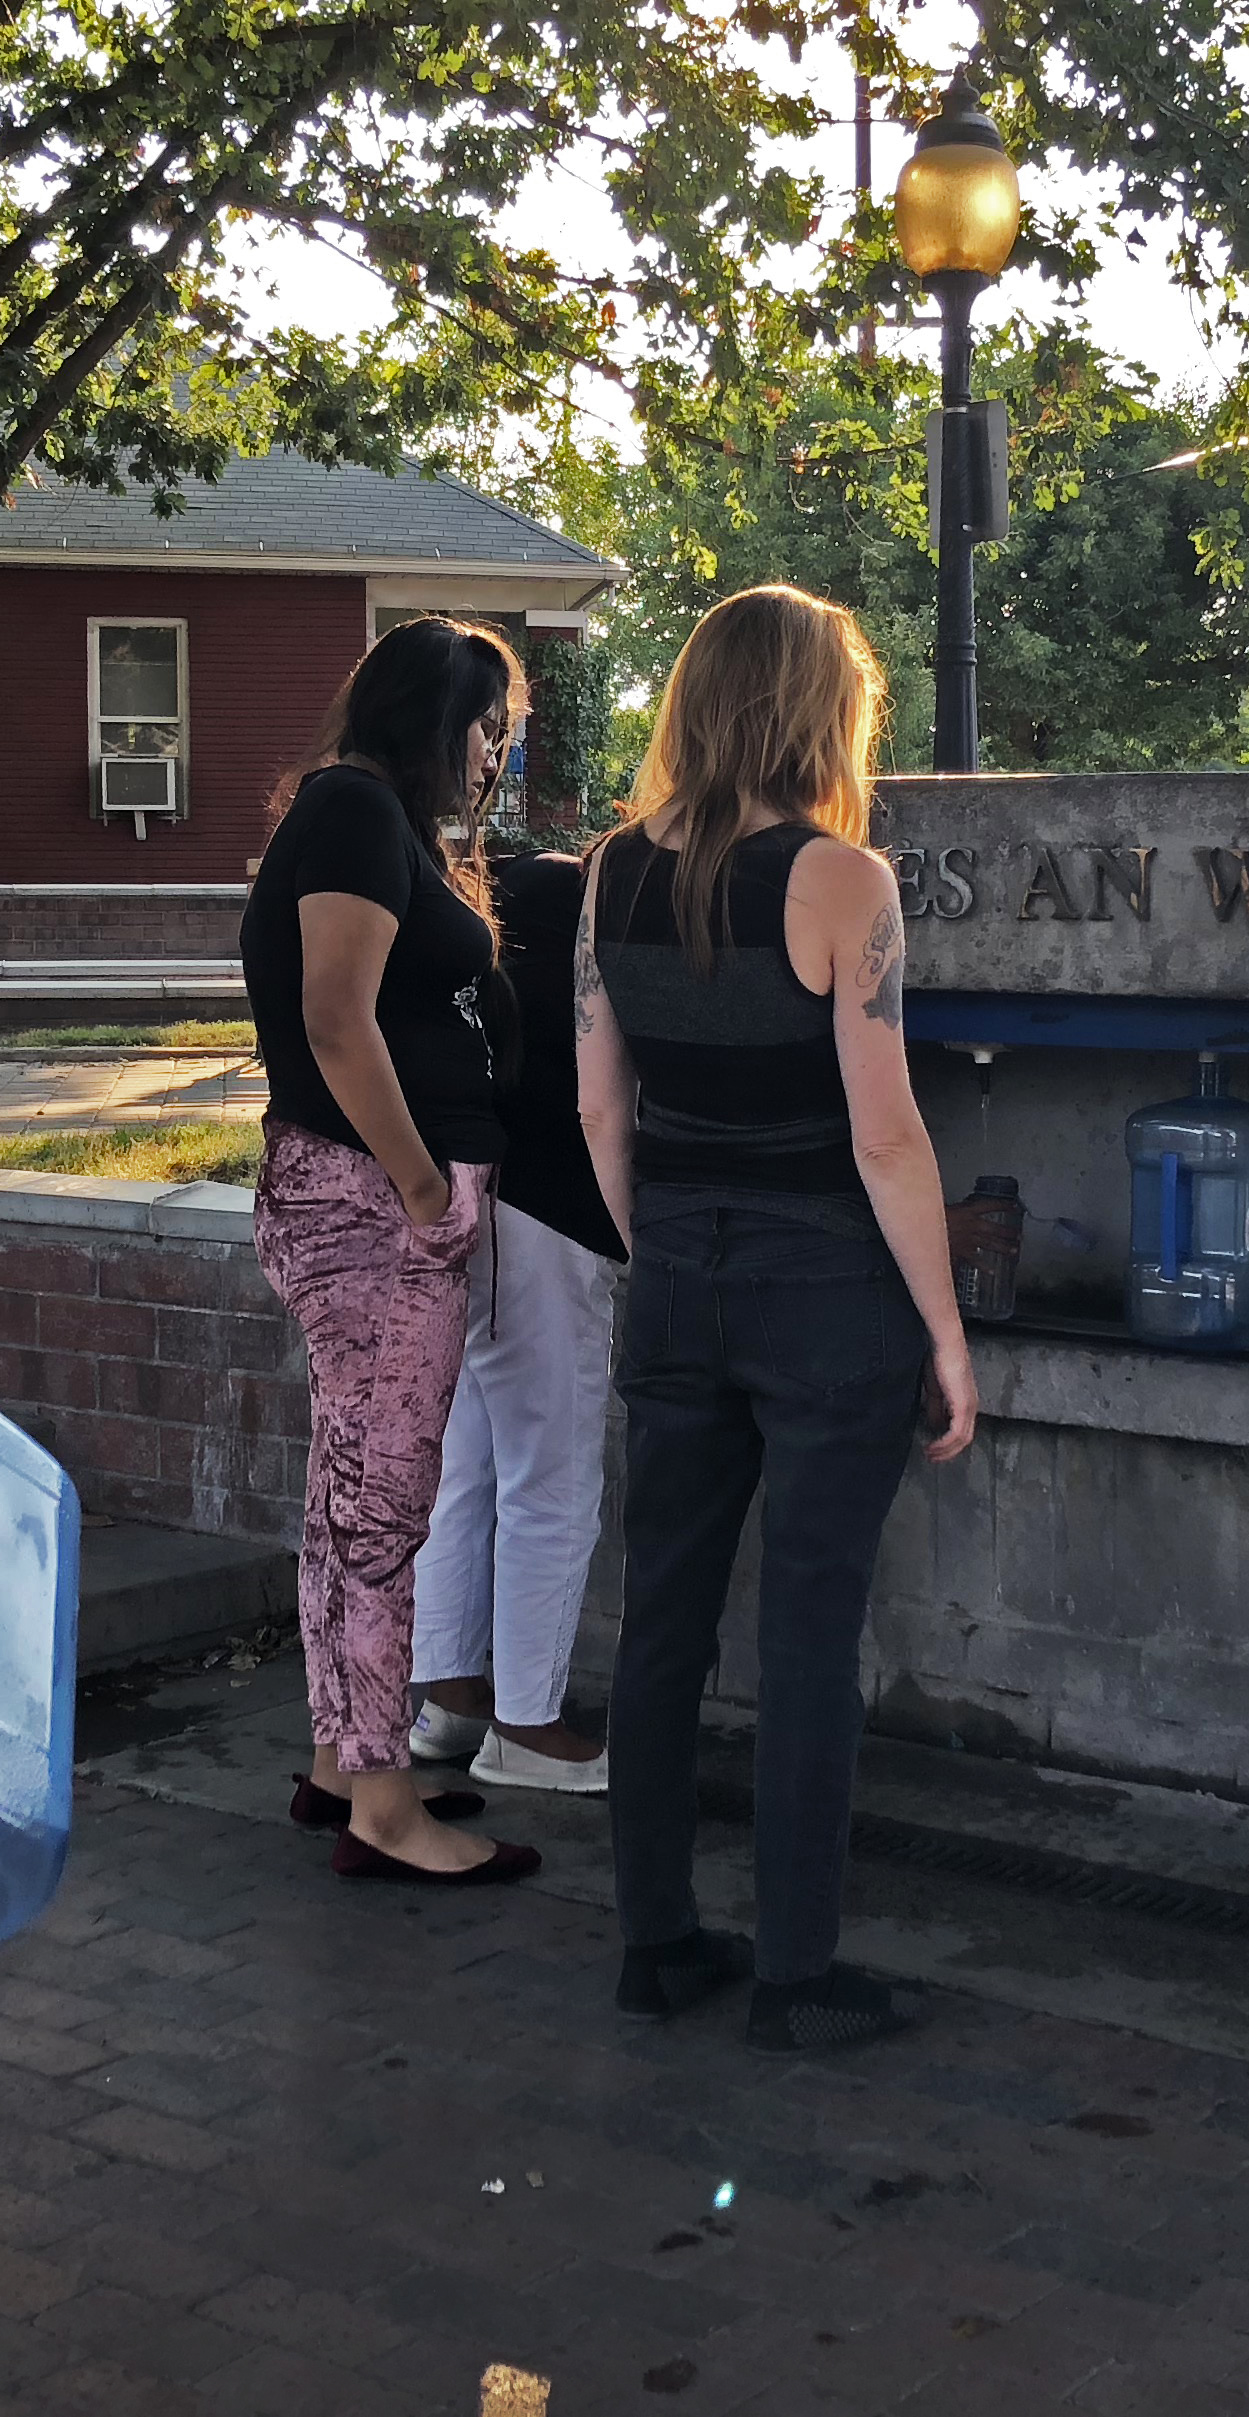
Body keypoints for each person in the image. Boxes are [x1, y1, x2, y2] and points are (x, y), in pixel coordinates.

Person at [576, 585, 978, 2051]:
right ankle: (797, 1976)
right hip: (825, 1305)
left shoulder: (612, 871)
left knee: (663, 1622)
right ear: (821, 709)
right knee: (811, 1635)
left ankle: (657, 1943)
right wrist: (942, 1329)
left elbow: (597, 1107)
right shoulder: (843, 884)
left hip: (675, 1285)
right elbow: (888, 1139)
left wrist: (669, 1249)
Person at [239, 615, 539, 1886]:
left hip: (355, 1196)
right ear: (436, 720)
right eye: (486, 730)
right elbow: (335, 1020)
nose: (491, 759)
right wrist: (426, 1189)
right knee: (384, 1509)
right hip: (371, 1203)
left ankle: (340, 1761)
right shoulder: (357, 814)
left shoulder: (358, 816)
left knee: (345, 1494)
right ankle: (382, 1802)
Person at [407, 840, 623, 1793]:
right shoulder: (586, 969)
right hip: (555, 1219)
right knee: (553, 1475)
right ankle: (529, 1726)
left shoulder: (473, 981)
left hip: (463, 1205)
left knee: (466, 1468)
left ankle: (447, 1700)